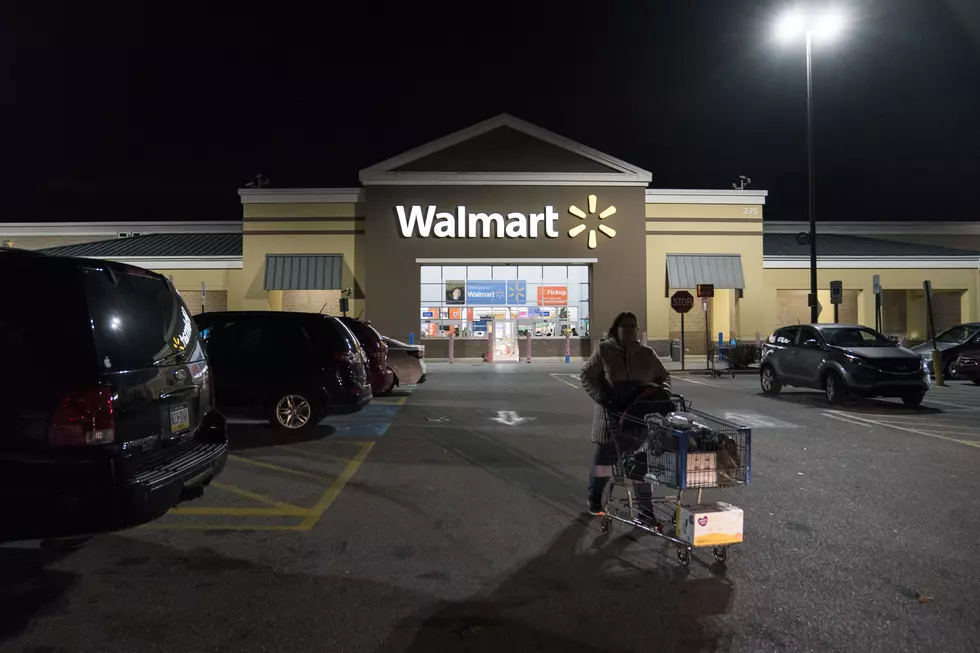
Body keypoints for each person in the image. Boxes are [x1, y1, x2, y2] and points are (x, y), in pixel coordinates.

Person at [580, 311, 670, 515]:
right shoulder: (605, 351)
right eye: (625, 326)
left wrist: (661, 394)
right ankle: (595, 496)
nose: (629, 330)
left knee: (640, 466)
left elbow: (664, 376)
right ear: (616, 329)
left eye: (633, 326)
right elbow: (586, 375)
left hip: (638, 420)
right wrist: (601, 397)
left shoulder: (647, 354)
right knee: (604, 465)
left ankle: (645, 511)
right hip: (611, 419)